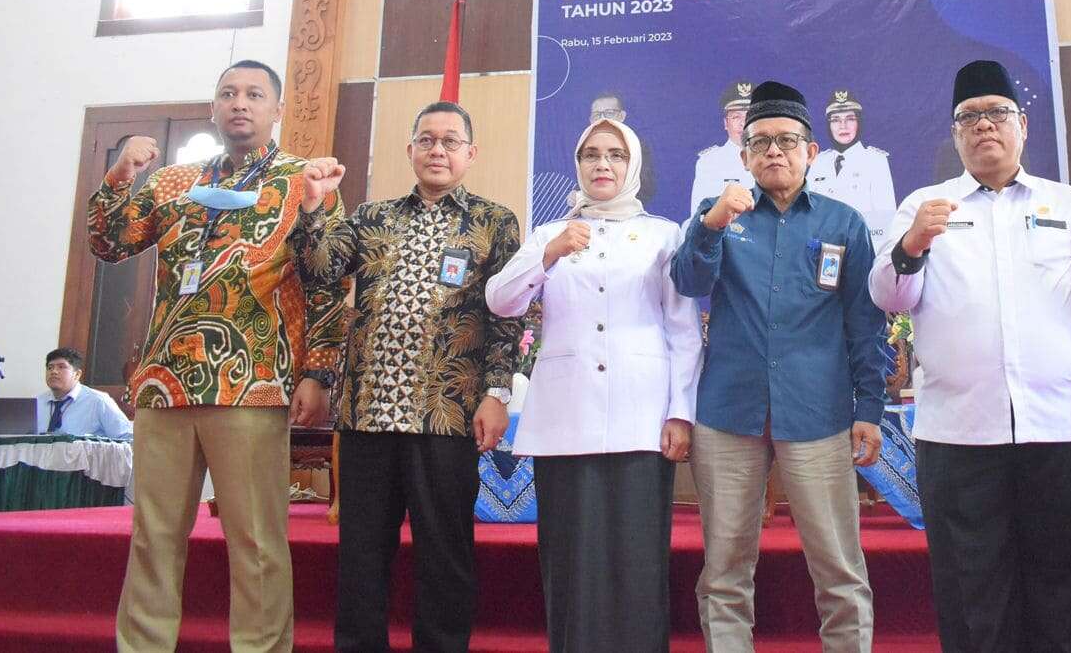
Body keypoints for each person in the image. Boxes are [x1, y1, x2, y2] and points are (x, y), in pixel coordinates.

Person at [868, 59, 1071, 653]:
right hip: (959, 434)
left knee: (1070, 589)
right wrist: (913, 244)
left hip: (1061, 428)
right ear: (955, 135)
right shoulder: (925, 206)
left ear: (1022, 125)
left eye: (997, 113)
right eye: (968, 117)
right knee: (975, 596)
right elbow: (889, 297)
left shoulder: (1069, 206)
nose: (983, 125)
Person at [88, 59, 348, 653]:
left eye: (255, 94)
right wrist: (121, 175)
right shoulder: (173, 182)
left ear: (277, 109)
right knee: (153, 537)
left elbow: (329, 282)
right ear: (213, 107)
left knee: (256, 542)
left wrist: (318, 373)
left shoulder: (304, 179)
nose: (240, 103)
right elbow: (108, 244)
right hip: (165, 383)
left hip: (251, 383)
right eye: (228, 93)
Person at [292, 100, 522, 653]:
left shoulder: (494, 222)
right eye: (427, 140)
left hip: (446, 415)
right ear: (410, 149)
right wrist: (315, 207)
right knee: (362, 555)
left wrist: (496, 392)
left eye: (450, 141)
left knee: (445, 555)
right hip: (367, 415)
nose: (437, 150)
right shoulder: (372, 217)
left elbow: (510, 316)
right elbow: (319, 272)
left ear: (471, 153)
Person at [672, 80, 887, 653]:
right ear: (743, 157)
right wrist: (711, 225)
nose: (773, 151)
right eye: (760, 142)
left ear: (810, 152)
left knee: (839, 570)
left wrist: (869, 408)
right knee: (724, 572)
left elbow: (865, 324)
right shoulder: (721, 214)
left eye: (787, 141)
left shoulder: (843, 224)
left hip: (818, 413)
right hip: (729, 414)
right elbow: (688, 282)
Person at [486, 117, 703, 652]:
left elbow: (683, 330)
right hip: (567, 418)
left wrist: (681, 411)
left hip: (641, 417)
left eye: (615, 155)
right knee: (572, 560)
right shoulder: (548, 234)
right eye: (591, 155)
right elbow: (500, 301)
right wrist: (550, 254)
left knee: (637, 559)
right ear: (578, 164)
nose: (602, 164)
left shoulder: (664, 234)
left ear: (633, 165)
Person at [808, 89, 896, 240]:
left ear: (859, 122)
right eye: (835, 120)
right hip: (819, 248)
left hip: (860, 247)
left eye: (850, 119)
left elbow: (885, 223)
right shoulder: (817, 162)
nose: (843, 126)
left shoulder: (875, 161)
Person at [38, 347, 133, 439]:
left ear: (77, 374)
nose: (54, 371)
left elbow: (126, 437)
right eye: (50, 367)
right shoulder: (37, 402)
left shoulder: (98, 401)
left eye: (61, 367)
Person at [689, 81, 755, 212]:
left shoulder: (774, 158)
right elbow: (698, 217)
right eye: (736, 117)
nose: (743, 123)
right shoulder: (709, 162)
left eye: (749, 116)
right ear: (726, 123)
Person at [589, 92, 657, 202]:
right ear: (591, 120)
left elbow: (647, 187)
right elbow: (585, 181)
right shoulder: (587, 148)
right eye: (597, 115)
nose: (603, 119)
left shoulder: (636, 146)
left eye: (609, 113)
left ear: (621, 116)